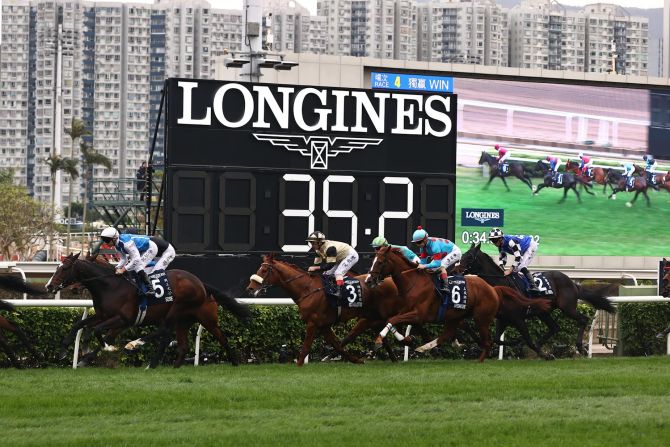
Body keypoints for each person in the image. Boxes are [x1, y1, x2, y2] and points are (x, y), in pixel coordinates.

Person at [100, 227, 157, 298]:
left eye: (107, 240)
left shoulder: (126, 243)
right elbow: (123, 259)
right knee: (133, 267)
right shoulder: (117, 246)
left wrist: (123, 269)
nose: (105, 242)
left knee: (137, 267)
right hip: (142, 249)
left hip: (150, 248)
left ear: (114, 238)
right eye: (104, 240)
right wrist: (117, 268)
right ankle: (140, 288)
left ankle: (151, 289)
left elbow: (136, 259)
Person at [306, 231, 359, 298]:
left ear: (320, 242)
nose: (312, 245)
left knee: (338, 273)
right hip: (340, 257)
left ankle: (340, 292)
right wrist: (311, 271)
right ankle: (332, 288)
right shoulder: (317, 250)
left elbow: (330, 265)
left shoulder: (330, 248)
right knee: (327, 274)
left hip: (350, 255)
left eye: (313, 243)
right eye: (311, 243)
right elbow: (317, 264)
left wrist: (315, 268)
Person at [410, 226, 461, 292]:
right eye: (416, 243)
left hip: (454, 251)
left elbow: (437, 263)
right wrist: (419, 266)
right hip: (444, 252)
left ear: (425, 239)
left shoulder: (434, 246)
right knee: (431, 268)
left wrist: (424, 266)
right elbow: (423, 262)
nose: (418, 245)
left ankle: (446, 286)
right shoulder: (422, 248)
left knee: (440, 266)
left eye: (419, 242)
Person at [488, 228, 539, 292]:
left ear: (500, 239)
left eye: (494, 240)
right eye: (492, 240)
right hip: (522, 250)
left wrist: (509, 270)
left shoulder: (511, 242)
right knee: (516, 269)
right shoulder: (501, 245)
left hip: (530, 246)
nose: (493, 243)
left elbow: (518, 257)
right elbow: (503, 258)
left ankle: (534, 286)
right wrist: (501, 268)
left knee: (521, 267)